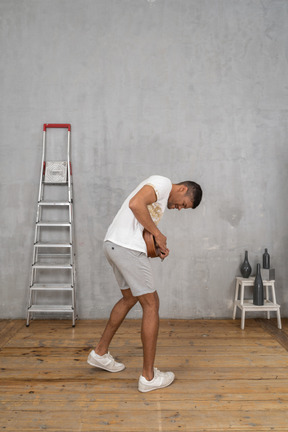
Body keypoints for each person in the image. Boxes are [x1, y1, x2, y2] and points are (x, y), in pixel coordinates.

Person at [87, 175, 202, 392]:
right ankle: (148, 377)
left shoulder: (160, 196)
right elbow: (135, 204)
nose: (179, 208)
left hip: (114, 245)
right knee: (151, 304)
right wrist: (159, 234)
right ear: (183, 189)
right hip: (125, 248)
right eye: (183, 204)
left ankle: (99, 353)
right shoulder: (163, 183)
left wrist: (154, 246)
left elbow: (138, 226)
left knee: (130, 298)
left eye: (183, 209)